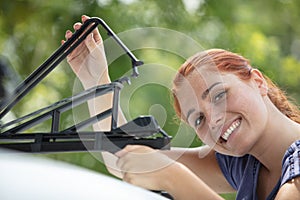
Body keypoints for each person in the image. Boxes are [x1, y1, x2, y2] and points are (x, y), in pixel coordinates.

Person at [62, 15, 300, 200]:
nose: (214, 120)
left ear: (257, 81)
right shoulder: (244, 164)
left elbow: (160, 170)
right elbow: (126, 161)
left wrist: (174, 178)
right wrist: (97, 82)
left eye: (219, 95)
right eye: (199, 119)